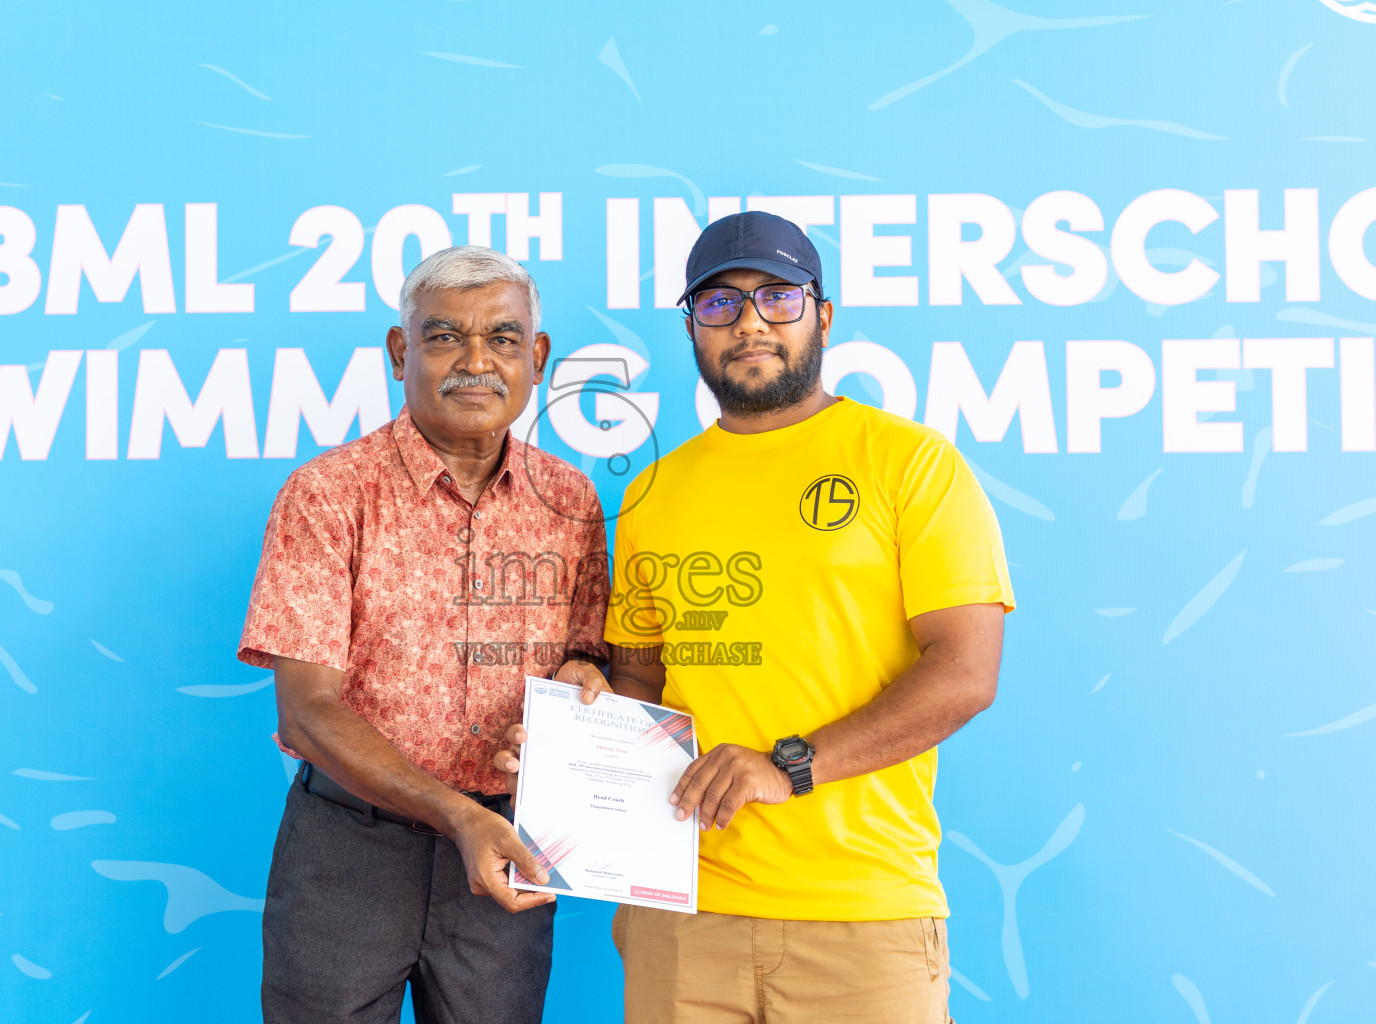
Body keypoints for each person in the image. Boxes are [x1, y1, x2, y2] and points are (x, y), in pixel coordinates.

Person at [500, 210, 1015, 1023]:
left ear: (824, 315)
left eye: (778, 297)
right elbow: (642, 678)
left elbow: (965, 672)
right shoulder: (652, 493)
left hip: (861, 913)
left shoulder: (911, 463)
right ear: (691, 328)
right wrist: (579, 722)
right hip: (680, 914)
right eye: (718, 304)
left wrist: (790, 765)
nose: (749, 323)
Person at [238, 245, 609, 1024]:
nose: (477, 361)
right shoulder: (326, 495)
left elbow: (585, 656)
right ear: (401, 352)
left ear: (536, 358)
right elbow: (305, 710)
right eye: (446, 337)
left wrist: (583, 682)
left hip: (506, 856)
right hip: (349, 850)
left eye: (503, 339)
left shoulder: (573, 503)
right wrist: (455, 813)